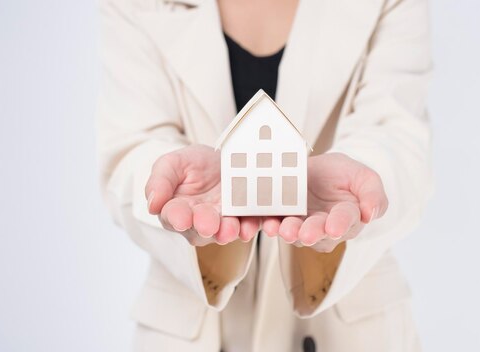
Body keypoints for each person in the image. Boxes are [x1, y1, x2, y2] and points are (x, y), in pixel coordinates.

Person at [97, 0, 432, 350]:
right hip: (189, 330)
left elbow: (397, 134)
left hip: (347, 328)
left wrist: (360, 184)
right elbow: (129, 147)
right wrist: (168, 181)